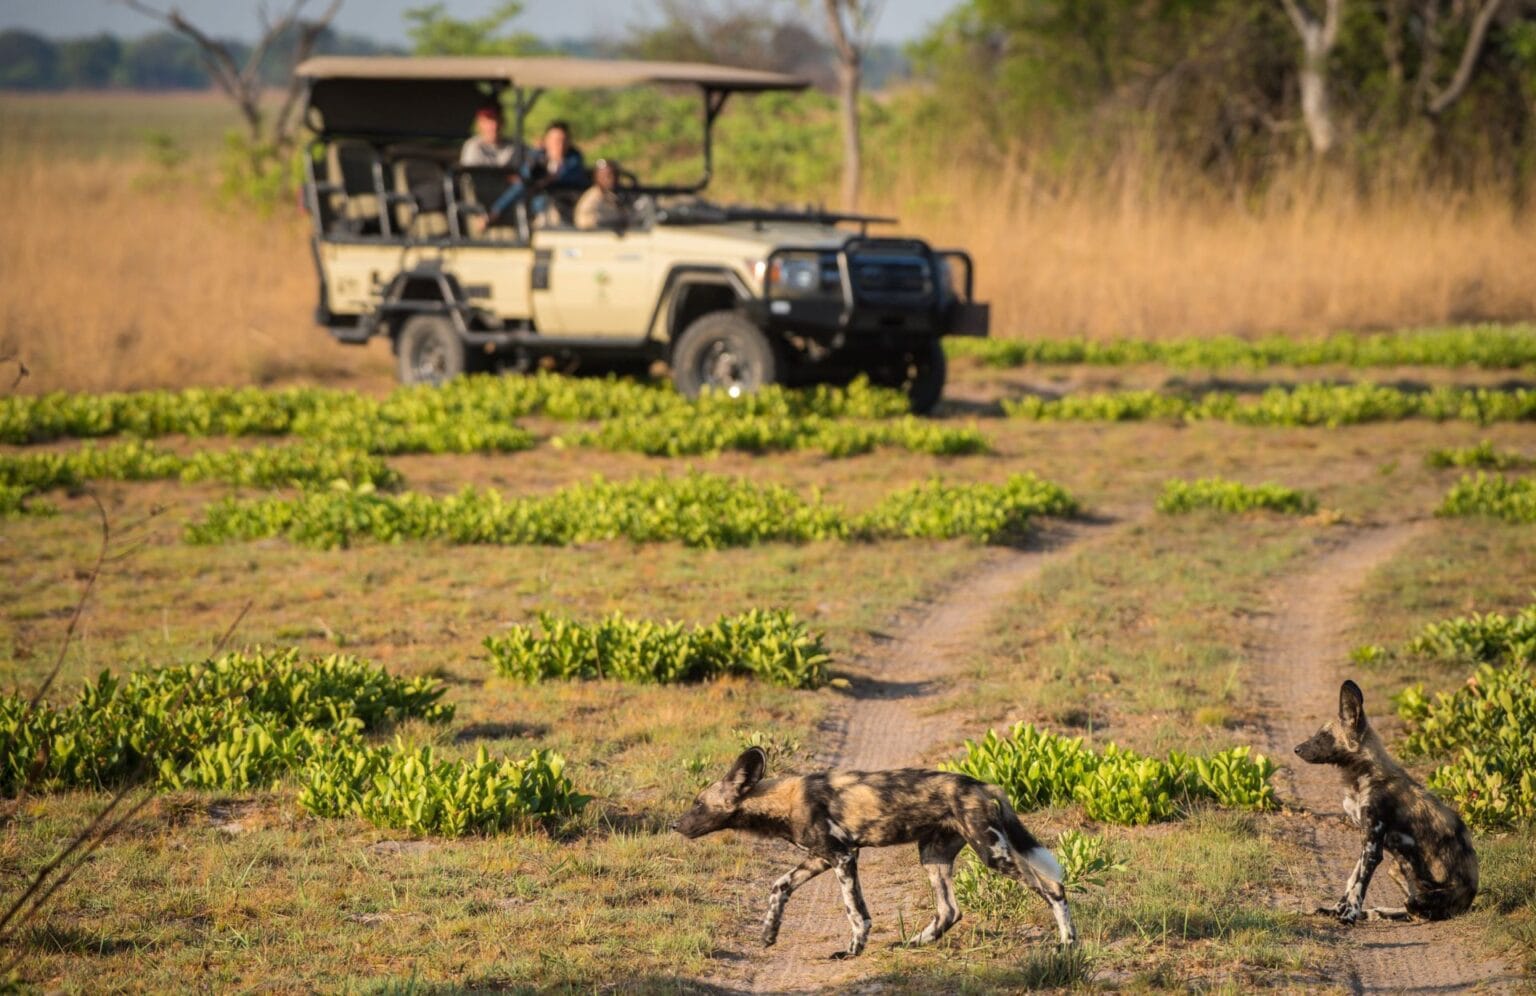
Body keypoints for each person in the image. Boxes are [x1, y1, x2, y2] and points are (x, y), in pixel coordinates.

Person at [489, 121, 589, 226]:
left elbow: (564, 177)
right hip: (540, 205)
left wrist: (544, 180)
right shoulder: (538, 159)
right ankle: (495, 212)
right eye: (554, 140)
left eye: (563, 140)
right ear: (546, 141)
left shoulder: (574, 161)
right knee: (526, 190)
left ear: (569, 142)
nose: (559, 145)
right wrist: (534, 159)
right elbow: (524, 179)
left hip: (567, 205)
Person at [574, 158, 631, 230]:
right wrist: (611, 222)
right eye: (607, 175)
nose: (612, 178)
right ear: (597, 177)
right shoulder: (591, 197)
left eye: (615, 174)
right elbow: (582, 221)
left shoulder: (619, 195)